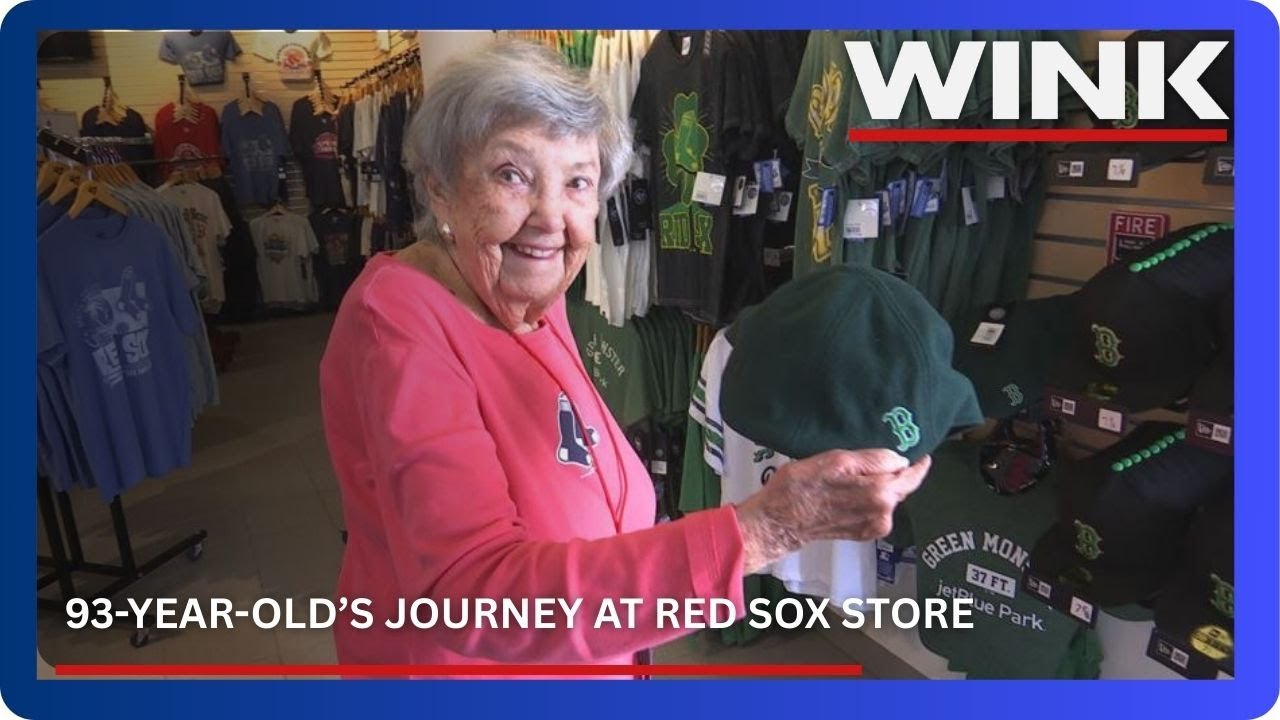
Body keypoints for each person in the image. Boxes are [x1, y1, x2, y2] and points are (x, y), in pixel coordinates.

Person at [318, 41, 931, 673]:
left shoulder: (528, 294)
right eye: (512, 174)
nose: (550, 218)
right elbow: (476, 599)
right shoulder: (401, 324)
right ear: (439, 188)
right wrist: (760, 532)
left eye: (578, 181)